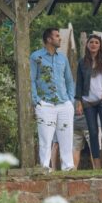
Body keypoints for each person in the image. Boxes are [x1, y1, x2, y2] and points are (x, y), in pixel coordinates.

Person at [30, 27, 75, 171]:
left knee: (66, 137)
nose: (60, 38)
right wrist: (36, 101)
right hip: (45, 104)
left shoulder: (63, 57)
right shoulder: (36, 57)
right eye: (57, 36)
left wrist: (71, 100)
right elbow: (31, 79)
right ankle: (44, 167)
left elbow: (69, 80)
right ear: (49, 39)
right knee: (45, 139)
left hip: (64, 103)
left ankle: (68, 166)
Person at [75, 34, 102, 169]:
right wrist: (79, 102)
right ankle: (97, 166)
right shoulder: (82, 62)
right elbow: (79, 84)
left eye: (96, 42)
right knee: (93, 132)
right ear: (87, 45)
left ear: (100, 46)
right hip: (88, 102)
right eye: (91, 42)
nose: (94, 44)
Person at [50, 100, 91, 170]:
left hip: (70, 119)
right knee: (56, 143)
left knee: (65, 144)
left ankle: (66, 167)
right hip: (59, 115)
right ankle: (54, 168)